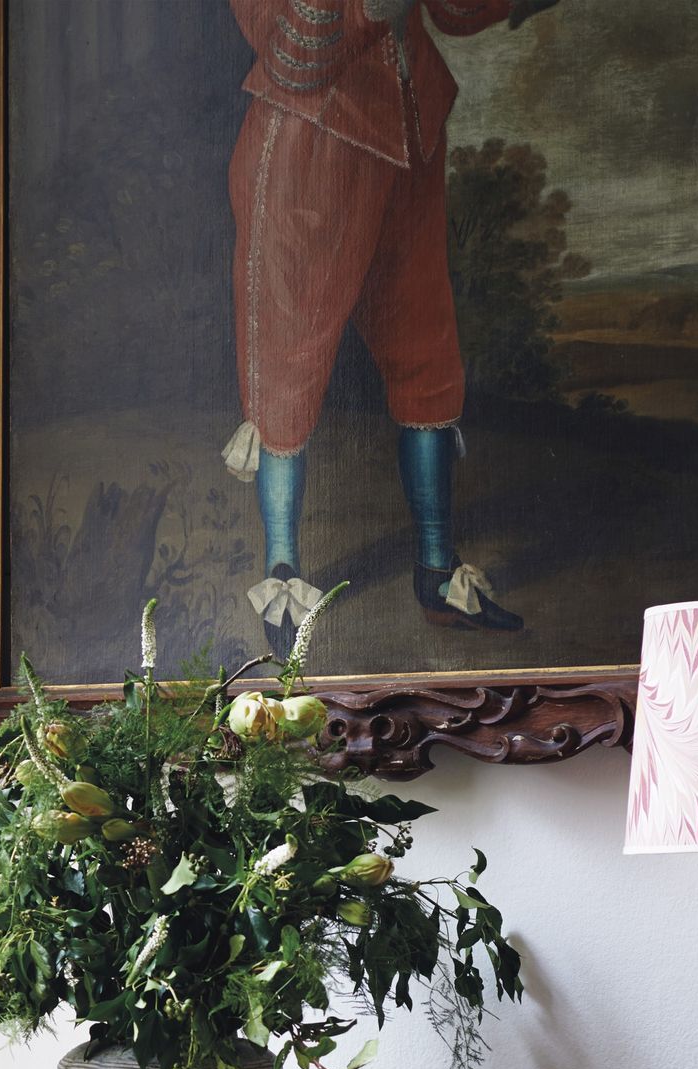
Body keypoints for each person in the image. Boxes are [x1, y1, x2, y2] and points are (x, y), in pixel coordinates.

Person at [224, 0, 559, 653]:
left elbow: (455, 11)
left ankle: (436, 571)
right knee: (287, 365)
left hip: (409, 133)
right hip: (308, 147)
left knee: (425, 350)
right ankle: (283, 572)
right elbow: (292, 56)